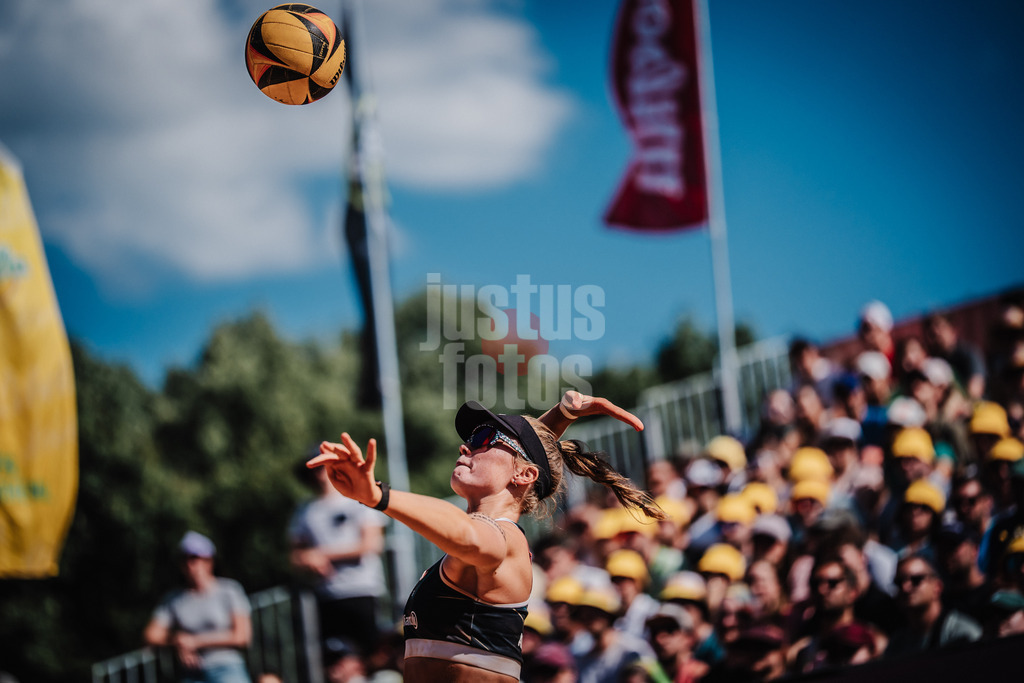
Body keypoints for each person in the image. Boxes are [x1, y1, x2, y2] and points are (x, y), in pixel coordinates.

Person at [307, 391, 665, 683]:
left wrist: (378, 496)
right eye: (471, 439)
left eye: (481, 439)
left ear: (524, 474)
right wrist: (562, 414)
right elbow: (522, 455)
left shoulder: (507, 542)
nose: (466, 447)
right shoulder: (487, 530)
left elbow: (468, 530)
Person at [288, 452, 387, 658]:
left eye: (324, 466)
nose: (320, 473)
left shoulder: (357, 499)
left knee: (372, 657)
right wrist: (308, 560)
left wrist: (321, 554)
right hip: (328, 594)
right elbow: (295, 555)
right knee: (335, 664)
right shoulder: (305, 511)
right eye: (315, 468)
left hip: (362, 589)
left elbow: (372, 544)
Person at [143, 531, 253, 683]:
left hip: (227, 668)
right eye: (185, 560)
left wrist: (195, 641)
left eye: (195, 558)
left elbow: (242, 636)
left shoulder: (229, 590)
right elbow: (151, 634)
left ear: (209, 561)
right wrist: (177, 640)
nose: (190, 565)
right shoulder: (174, 599)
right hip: (191, 673)